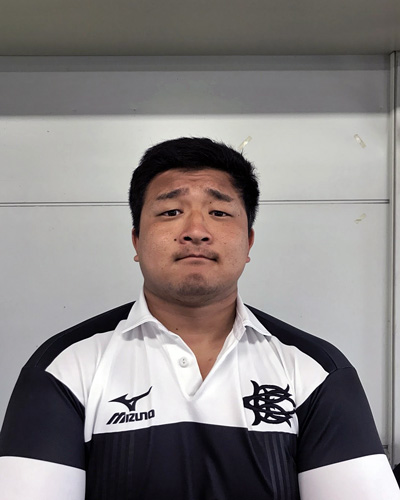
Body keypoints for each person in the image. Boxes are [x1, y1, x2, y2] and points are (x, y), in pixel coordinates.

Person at [0, 137, 398, 500]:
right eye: (171, 211)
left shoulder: (317, 370)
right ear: (136, 240)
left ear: (249, 241)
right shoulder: (64, 367)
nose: (195, 231)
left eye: (219, 212)